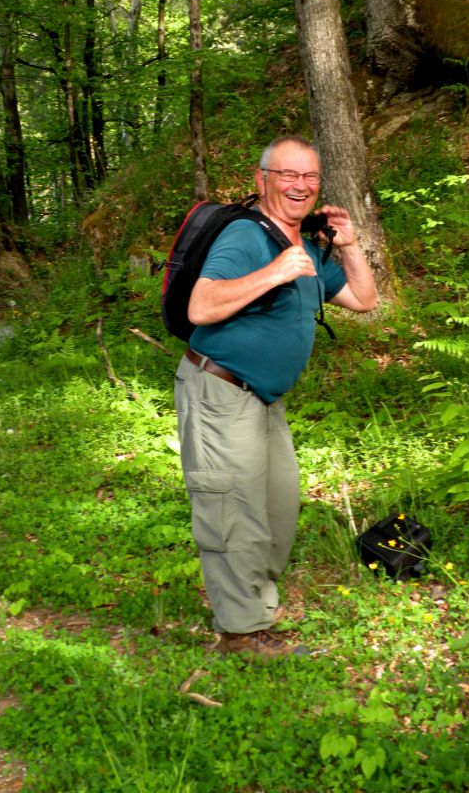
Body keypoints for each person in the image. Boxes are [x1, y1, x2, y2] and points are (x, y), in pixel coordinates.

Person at [174, 136, 377, 657]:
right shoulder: (246, 236)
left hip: (263, 399)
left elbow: (363, 300)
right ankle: (240, 633)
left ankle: (256, 612)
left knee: (277, 509)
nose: (301, 186)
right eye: (288, 175)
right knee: (233, 513)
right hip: (219, 390)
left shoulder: (307, 244)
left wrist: (350, 246)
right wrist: (274, 272)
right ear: (262, 178)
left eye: (310, 177)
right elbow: (200, 305)